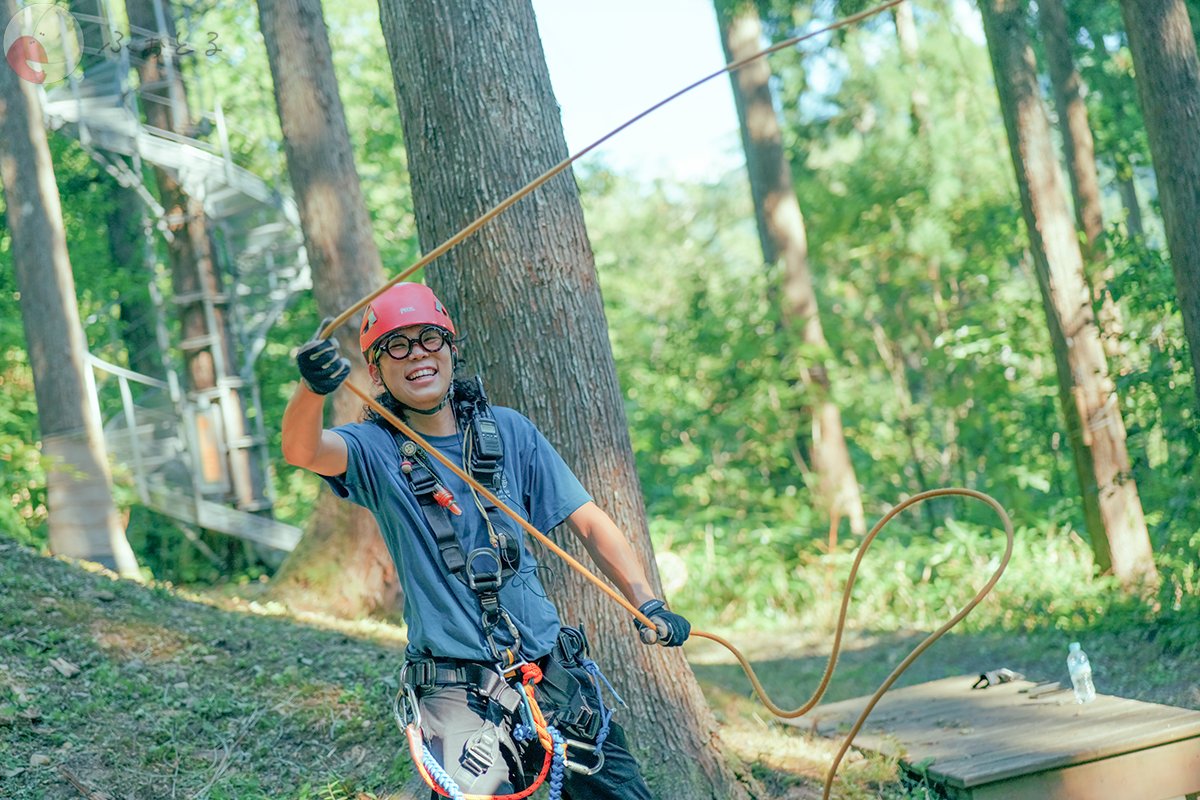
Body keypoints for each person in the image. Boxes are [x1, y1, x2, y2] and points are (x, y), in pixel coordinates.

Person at [280, 282, 690, 799]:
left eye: (429, 339)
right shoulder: (374, 450)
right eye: (397, 346)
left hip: (549, 669)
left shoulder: (510, 432)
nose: (417, 355)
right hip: (458, 690)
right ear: (377, 371)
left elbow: (589, 521)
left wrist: (645, 599)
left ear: (452, 348)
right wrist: (311, 389)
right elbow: (302, 450)